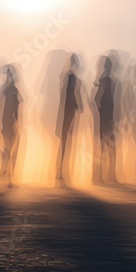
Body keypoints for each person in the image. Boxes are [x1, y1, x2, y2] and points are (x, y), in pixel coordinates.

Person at [56, 54, 82, 185]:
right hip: (70, 113)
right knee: (67, 143)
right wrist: (79, 106)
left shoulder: (65, 78)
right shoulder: (72, 79)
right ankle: (62, 171)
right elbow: (72, 96)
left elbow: (65, 96)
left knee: (65, 143)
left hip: (68, 112)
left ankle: (61, 171)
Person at [94, 55, 119, 184]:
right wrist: (104, 114)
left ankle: (103, 177)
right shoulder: (106, 81)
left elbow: (98, 100)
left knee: (105, 148)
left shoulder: (104, 80)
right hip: (106, 118)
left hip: (106, 118)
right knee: (108, 147)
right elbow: (97, 99)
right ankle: (108, 177)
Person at [0, 65, 22, 187]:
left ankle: (6, 174)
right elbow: (6, 108)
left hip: (8, 122)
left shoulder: (10, 90)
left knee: (9, 149)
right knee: (9, 149)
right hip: (7, 122)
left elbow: (13, 108)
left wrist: (16, 122)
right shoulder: (10, 90)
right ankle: (8, 176)